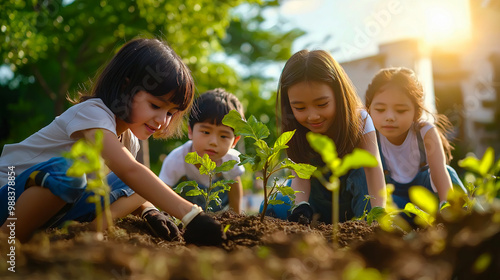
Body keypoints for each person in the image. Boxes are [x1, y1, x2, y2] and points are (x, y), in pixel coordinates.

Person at [0, 38, 222, 246]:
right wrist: (191, 214)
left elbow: (132, 179)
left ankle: (85, 236)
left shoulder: (129, 140)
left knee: (144, 185)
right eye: (155, 106)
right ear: (126, 88)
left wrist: (148, 210)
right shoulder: (92, 114)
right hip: (8, 195)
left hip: (55, 210)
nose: (162, 121)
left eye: (171, 113)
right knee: (69, 172)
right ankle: (6, 242)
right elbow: (129, 170)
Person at [268, 49, 387, 224]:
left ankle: (366, 221)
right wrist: (301, 207)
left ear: (339, 95)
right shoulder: (294, 129)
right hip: (317, 205)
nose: (313, 116)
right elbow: (300, 178)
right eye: (300, 108)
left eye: (322, 104)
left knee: (361, 167)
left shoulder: (360, 121)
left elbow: (373, 169)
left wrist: (378, 216)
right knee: (271, 207)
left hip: (354, 204)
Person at [365, 67, 466, 210]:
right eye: (380, 110)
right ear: (369, 108)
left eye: (400, 110)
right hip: (397, 204)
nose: (389, 117)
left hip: (428, 200)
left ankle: (469, 217)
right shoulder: (370, 137)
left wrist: (447, 207)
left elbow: (440, 173)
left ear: (416, 112)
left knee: (449, 172)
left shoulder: (425, 132)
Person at [159, 88, 245, 213]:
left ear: (235, 141)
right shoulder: (176, 160)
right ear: (190, 131)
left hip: (219, 215)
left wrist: (236, 218)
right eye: (206, 132)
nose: (213, 142)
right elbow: (162, 194)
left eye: (223, 136)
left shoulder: (231, 160)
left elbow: (234, 189)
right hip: (182, 216)